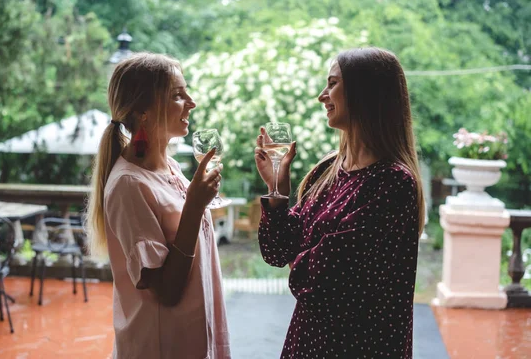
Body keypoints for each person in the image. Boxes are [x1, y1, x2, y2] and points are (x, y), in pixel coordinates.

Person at [255, 47, 425, 358]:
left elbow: (321, 279)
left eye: (332, 84)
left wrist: (302, 255)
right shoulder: (328, 169)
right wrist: (277, 191)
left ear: (365, 93)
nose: (322, 95)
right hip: (307, 342)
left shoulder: (392, 184)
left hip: (358, 348)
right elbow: (278, 252)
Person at [86, 52, 231, 359]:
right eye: (178, 95)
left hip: (192, 343)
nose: (191, 102)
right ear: (144, 112)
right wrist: (193, 207)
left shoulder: (173, 169)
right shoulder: (129, 184)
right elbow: (166, 290)